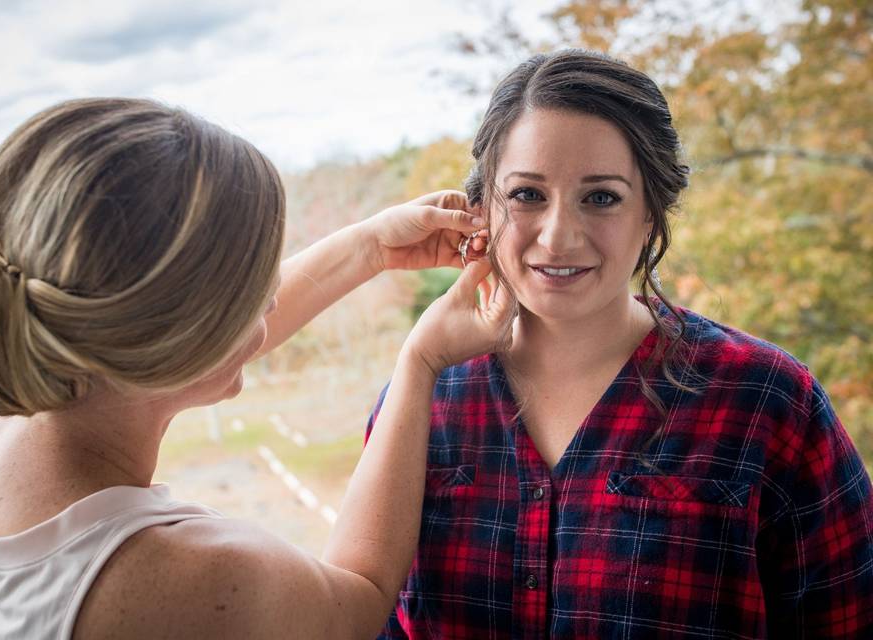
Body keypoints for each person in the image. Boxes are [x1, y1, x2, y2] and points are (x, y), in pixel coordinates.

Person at [0, 97, 515, 639]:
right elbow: (358, 601)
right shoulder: (194, 580)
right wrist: (420, 360)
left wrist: (368, 248)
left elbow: (178, 343)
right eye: (255, 285)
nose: (273, 297)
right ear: (181, 335)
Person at [367, 49, 873, 639]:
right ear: (483, 210)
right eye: (527, 194)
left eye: (601, 197)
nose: (559, 236)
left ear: (652, 216)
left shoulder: (769, 401)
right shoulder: (420, 400)